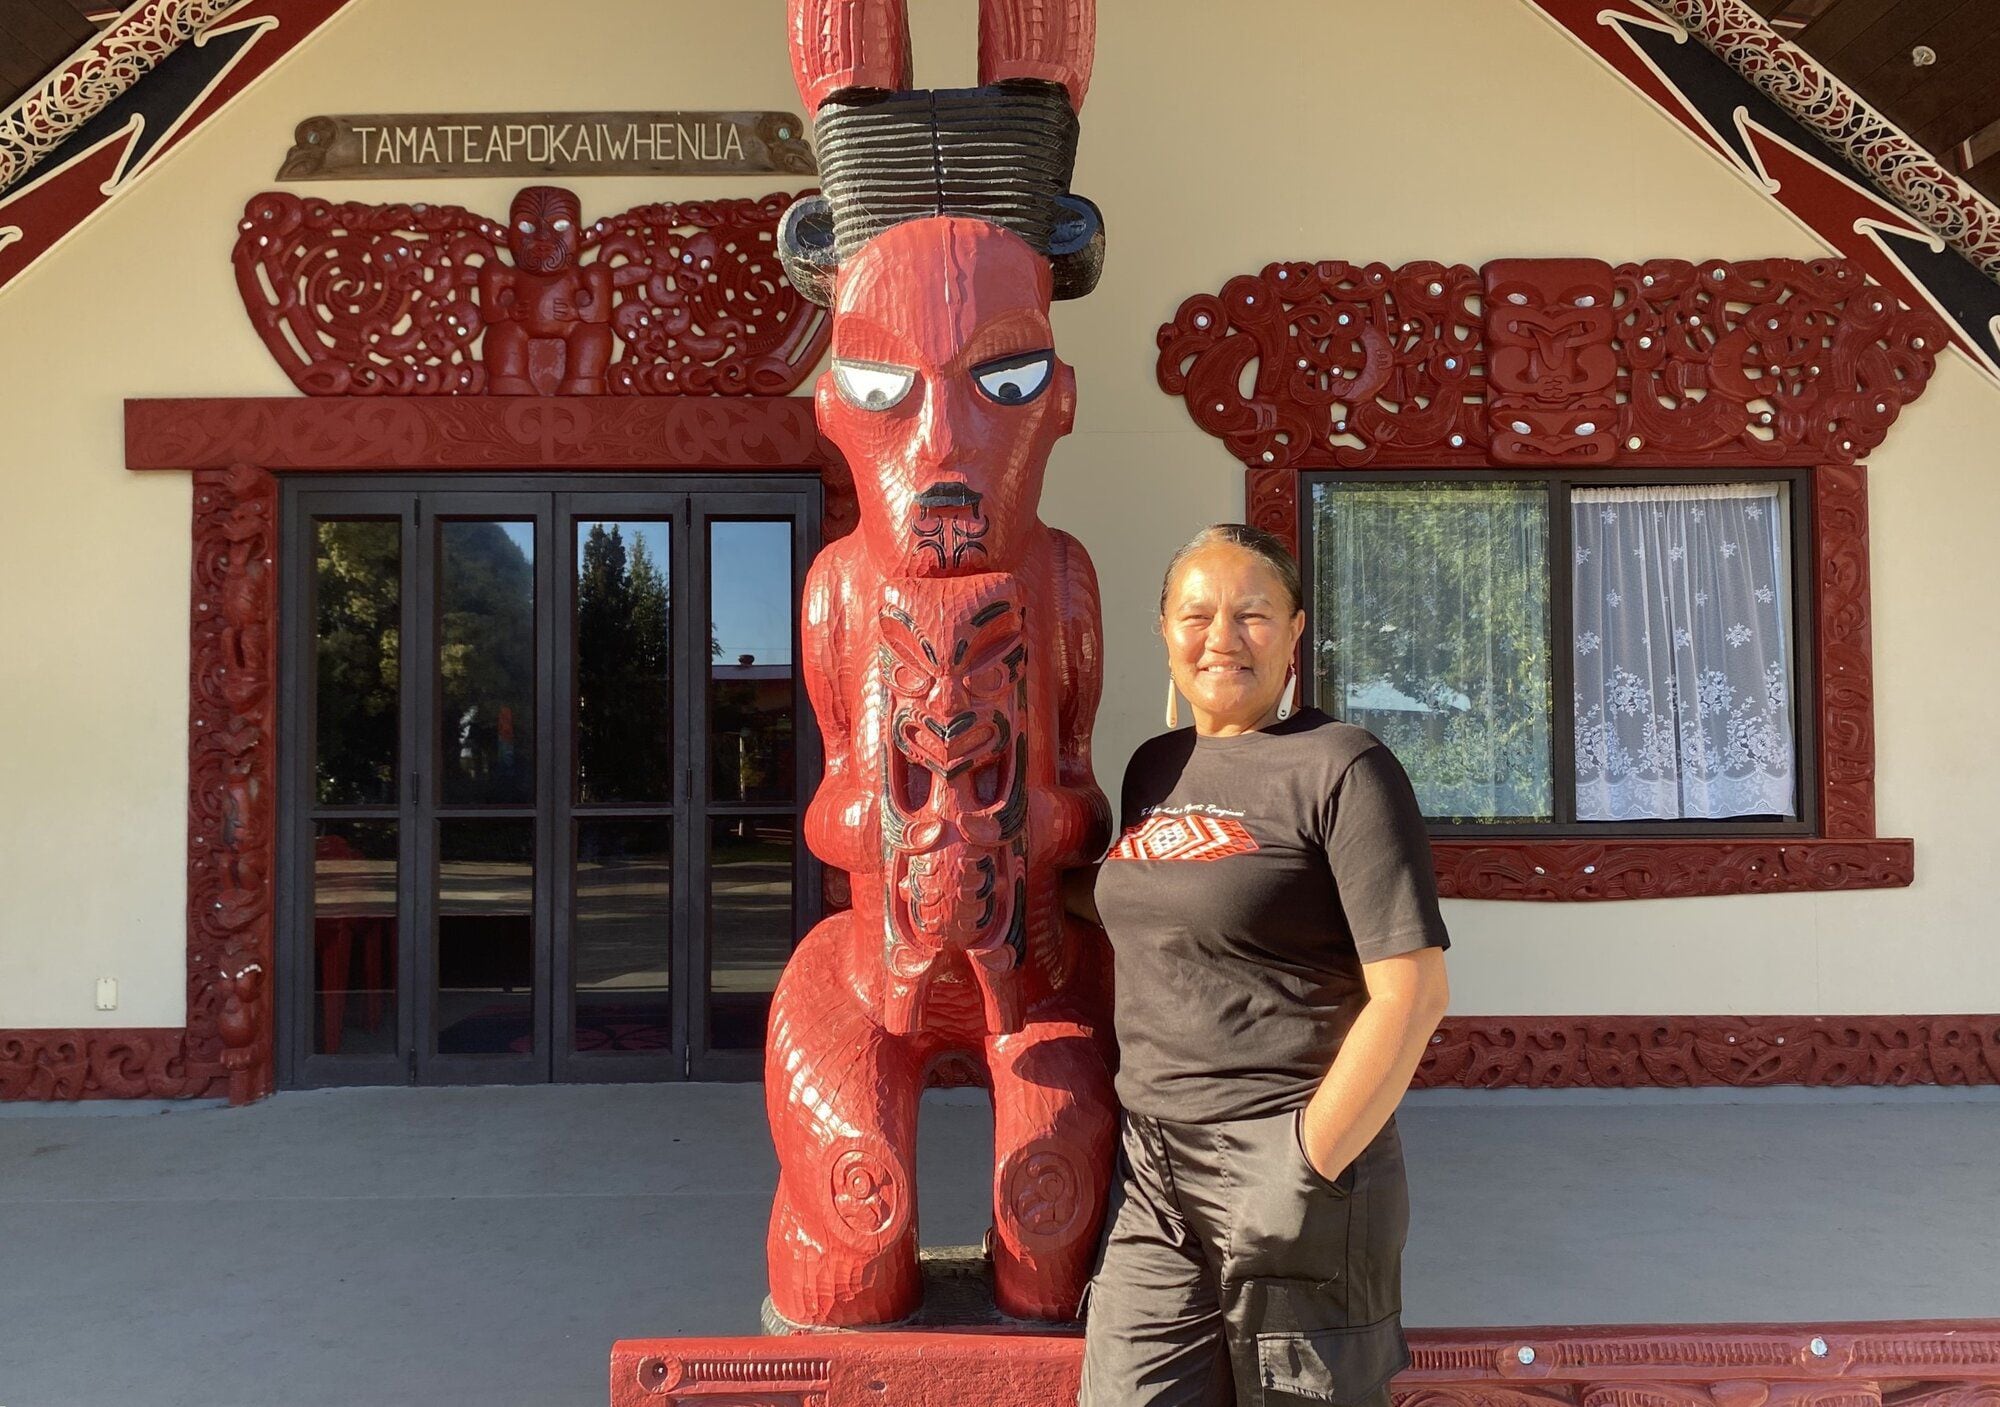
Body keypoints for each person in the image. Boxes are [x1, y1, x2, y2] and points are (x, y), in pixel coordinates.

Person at [1070, 523, 1452, 1407]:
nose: (1222, 637)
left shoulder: (1345, 768)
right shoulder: (1154, 769)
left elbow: (1414, 992)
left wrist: (1306, 1163)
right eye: (1196, 614)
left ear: (1295, 632)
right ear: (1164, 629)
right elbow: (1154, 901)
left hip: (1290, 1158)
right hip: (1154, 1168)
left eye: (1253, 614)